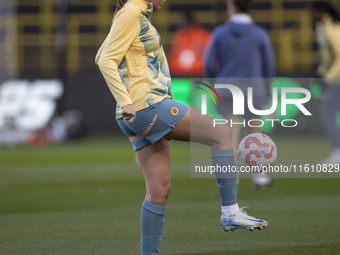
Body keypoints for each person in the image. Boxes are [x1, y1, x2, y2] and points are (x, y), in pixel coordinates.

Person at [95, 0, 268, 254]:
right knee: (221, 133)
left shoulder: (133, 12)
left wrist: (125, 101)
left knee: (159, 190)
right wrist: (125, 100)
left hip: (135, 114)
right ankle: (230, 212)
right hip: (149, 105)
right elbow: (105, 60)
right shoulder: (132, 11)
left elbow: (101, 54)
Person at [204, 0, 275, 188]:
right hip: (254, 88)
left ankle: (231, 179)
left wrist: (216, 83)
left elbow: (209, 63)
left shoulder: (219, 33)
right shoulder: (259, 34)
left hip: (227, 88)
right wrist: (267, 90)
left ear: (232, 7)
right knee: (254, 133)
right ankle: (260, 176)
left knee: (229, 134)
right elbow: (269, 64)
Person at [310, 1, 340, 164]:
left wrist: (327, 77)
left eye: (313, 11)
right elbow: (329, 58)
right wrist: (321, 73)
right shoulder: (323, 28)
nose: (310, 15)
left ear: (321, 12)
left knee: (327, 112)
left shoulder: (332, 29)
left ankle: (338, 151)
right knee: (328, 112)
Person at [168, 12, 211, 76]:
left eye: (185, 23)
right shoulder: (179, 35)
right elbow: (173, 54)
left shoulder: (201, 34)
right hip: (180, 72)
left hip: (198, 72)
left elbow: (209, 53)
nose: (184, 25)